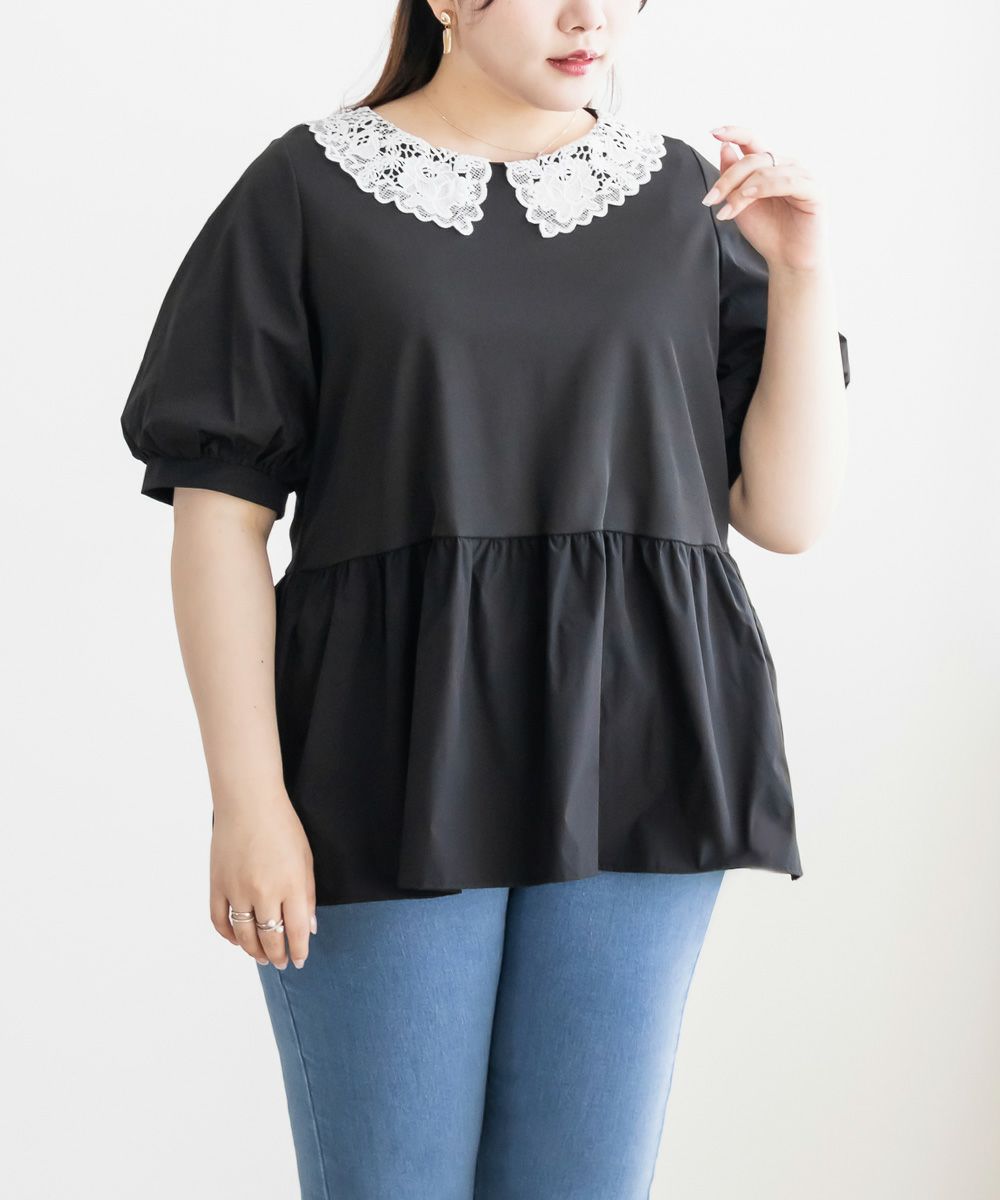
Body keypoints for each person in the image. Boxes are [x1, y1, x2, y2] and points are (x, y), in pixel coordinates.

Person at [119, 0, 851, 1195]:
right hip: (384, 752)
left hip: (636, 743)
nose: (590, 17)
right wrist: (247, 804)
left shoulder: (683, 196)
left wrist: (803, 274)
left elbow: (784, 514)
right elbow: (219, 517)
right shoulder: (304, 191)